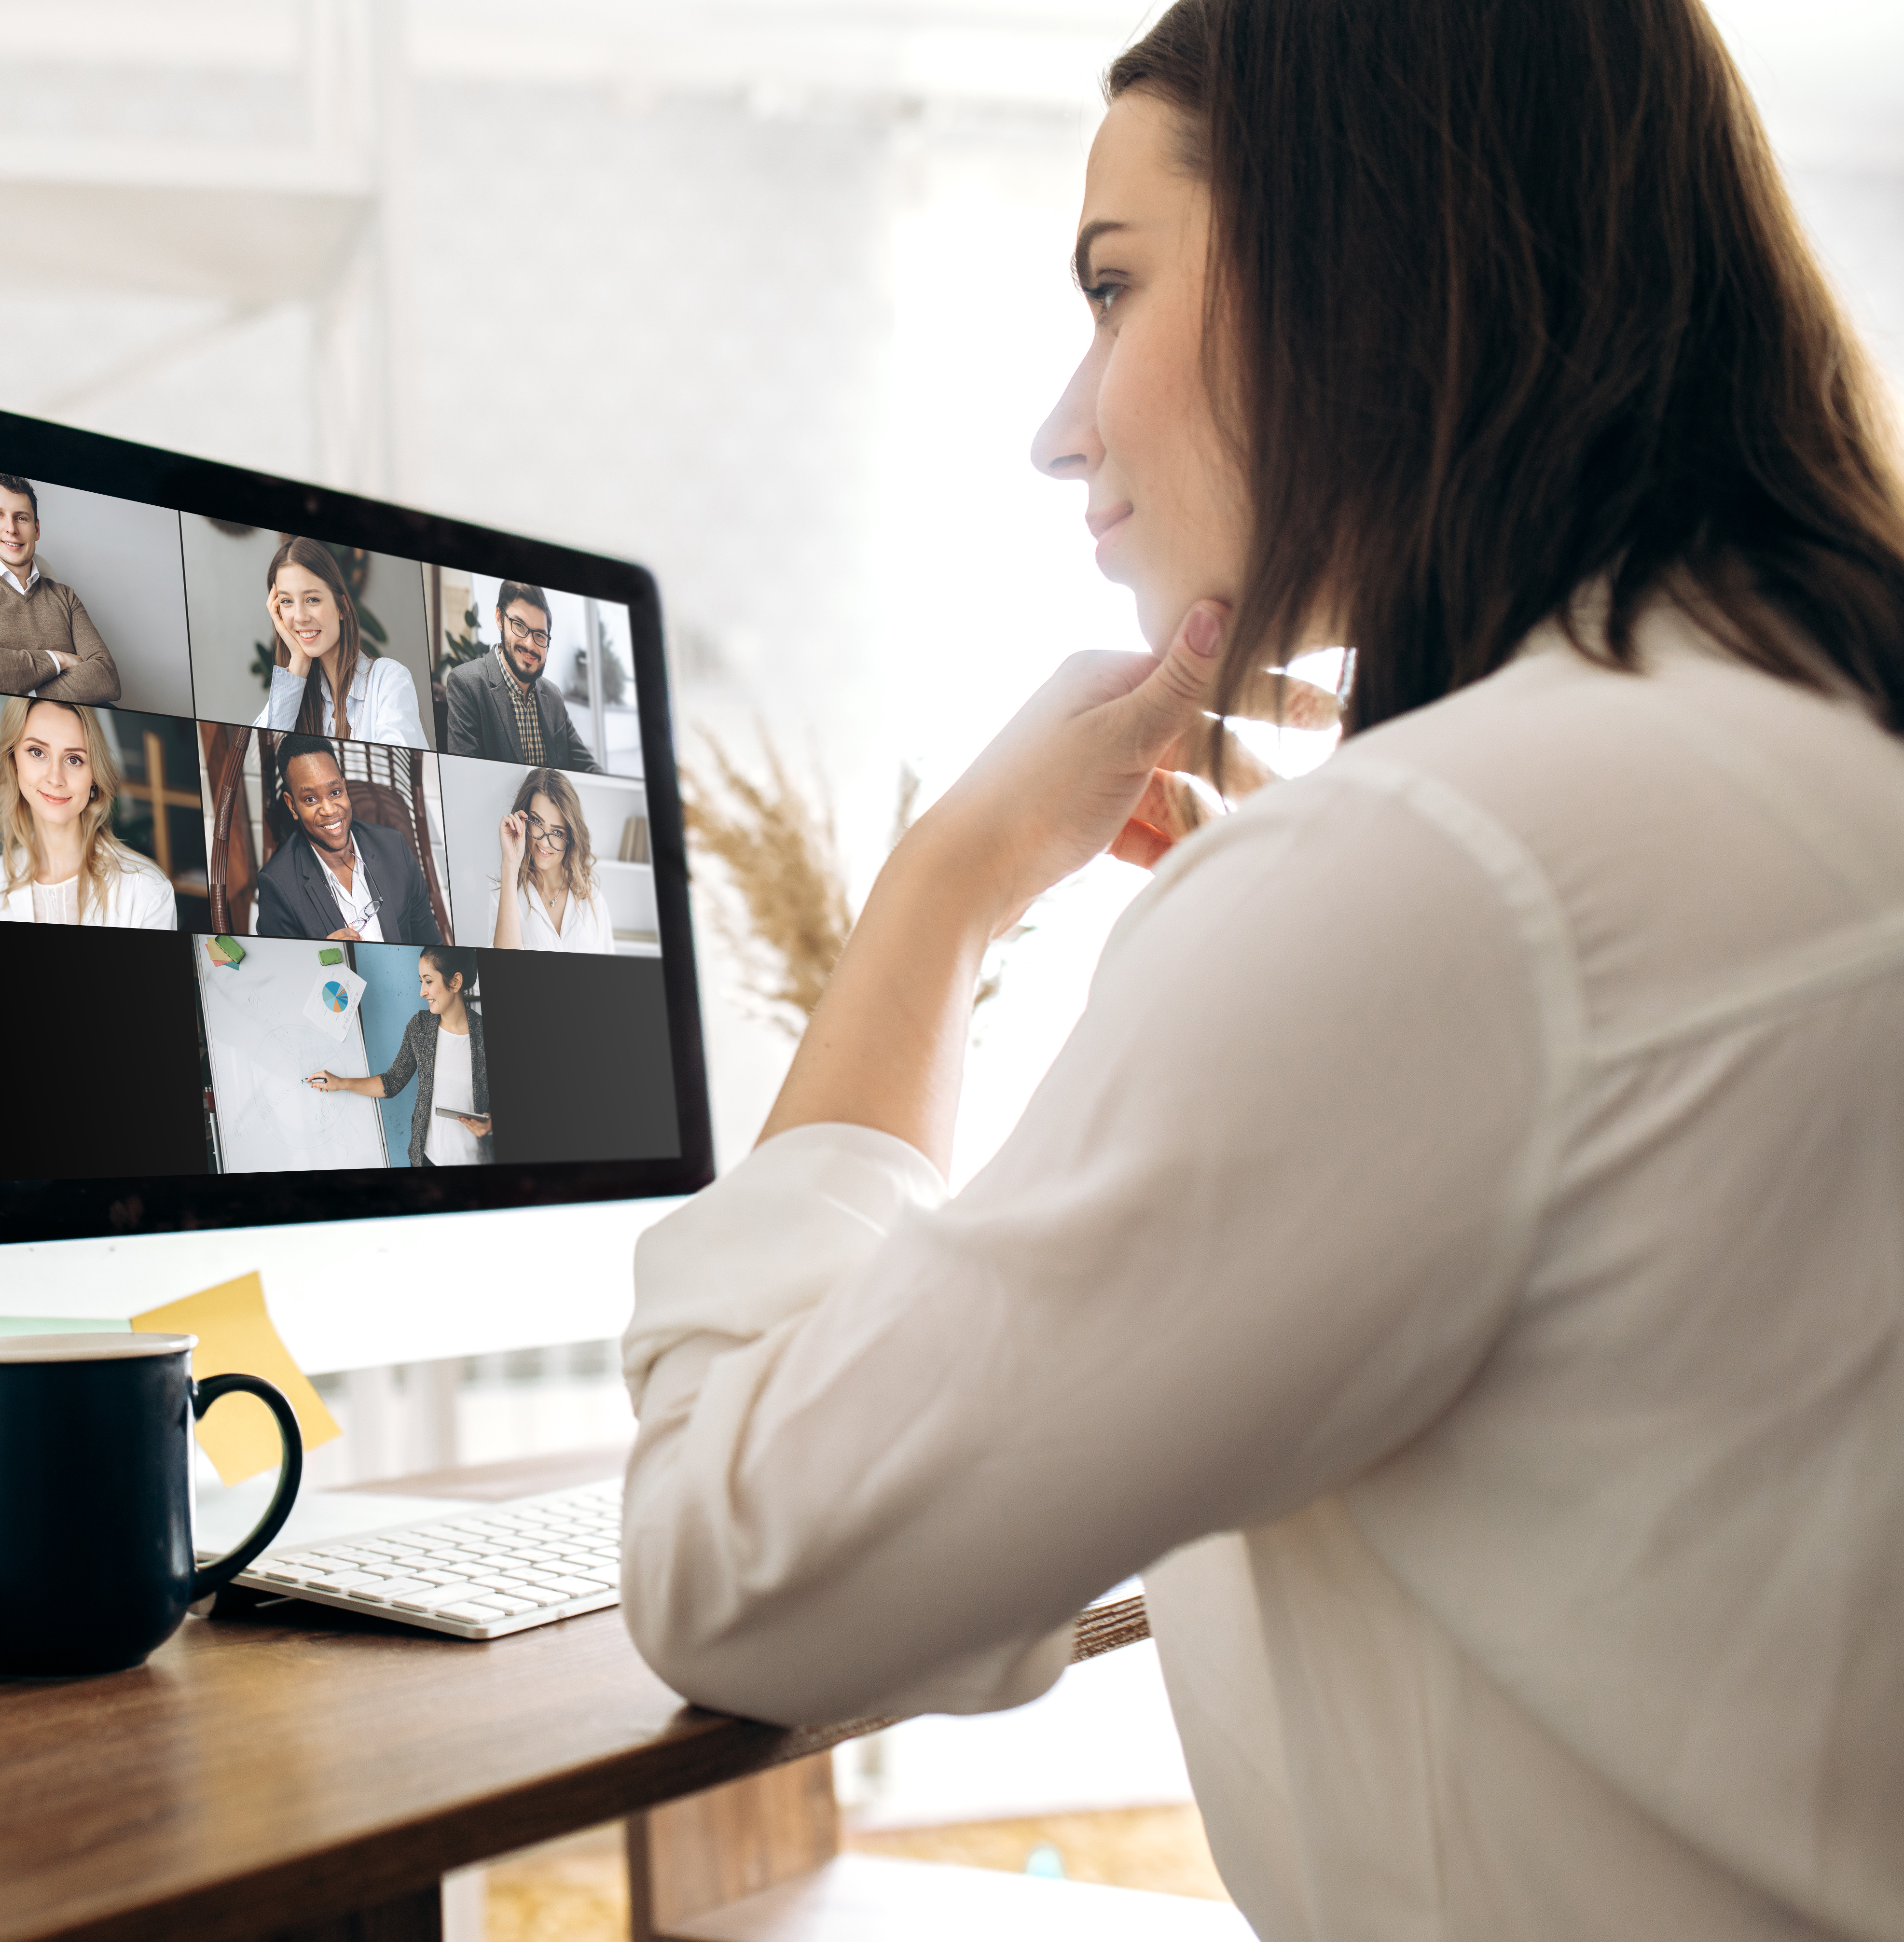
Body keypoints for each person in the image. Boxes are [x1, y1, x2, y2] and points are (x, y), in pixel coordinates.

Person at [619, 4, 1904, 1939]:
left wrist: (948, 886)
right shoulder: (1807, 741)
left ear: (1360, 256)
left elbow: (734, 1574)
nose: (1065, 424)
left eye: (1115, 288)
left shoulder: (1446, 871)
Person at [0, 697, 175, 927]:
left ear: (94, 776)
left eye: (74, 759)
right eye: (37, 752)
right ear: (13, 761)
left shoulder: (148, 890)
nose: (55, 779)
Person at [0, 472, 120, 703]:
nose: (11, 528)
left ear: (36, 529)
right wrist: (60, 661)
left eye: (21, 518)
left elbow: (107, 679)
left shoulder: (65, 596)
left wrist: (6, 675)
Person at [249, 734, 442, 945]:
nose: (330, 810)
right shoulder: (277, 886)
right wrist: (322, 957)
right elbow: (283, 973)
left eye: (335, 792)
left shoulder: (394, 846)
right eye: (311, 799)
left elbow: (431, 945)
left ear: (345, 788)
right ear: (292, 806)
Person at [305, 946, 488, 1165]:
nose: (422, 992)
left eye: (429, 981)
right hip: (425, 1160)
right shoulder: (420, 1027)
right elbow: (392, 1082)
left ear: (456, 982)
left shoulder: (484, 1035)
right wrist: (340, 1083)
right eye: (421, 981)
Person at [255, 537, 427, 747]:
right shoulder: (302, 694)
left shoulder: (389, 680)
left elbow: (392, 773)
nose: (300, 617)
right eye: (287, 602)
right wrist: (298, 663)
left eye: (313, 600)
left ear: (342, 607)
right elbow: (268, 762)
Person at [438, 581, 599, 772]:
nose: (531, 645)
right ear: (500, 618)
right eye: (520, 626)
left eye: (540, 635)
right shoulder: (466, 685)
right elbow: (466, 776)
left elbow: (586, 766)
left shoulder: (553, 695)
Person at [490, 766, 613, 954]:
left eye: (557, 832)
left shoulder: (593, 899)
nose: (544, 842)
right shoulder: (503, 890)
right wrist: (510, 863)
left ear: (571, 837)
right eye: (537, 822)